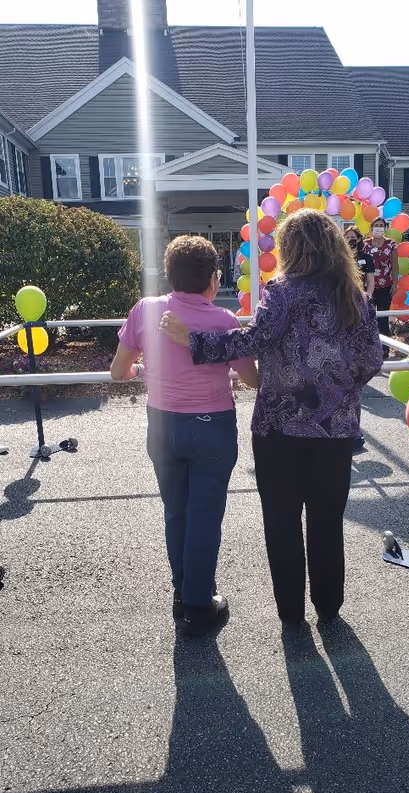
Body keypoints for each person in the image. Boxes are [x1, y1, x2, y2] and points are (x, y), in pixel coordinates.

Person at [161, 210, 384, 627]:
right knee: (326, 519)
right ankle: (329, 607)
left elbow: (254, 340)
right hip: (335, 429)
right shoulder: (354, 296)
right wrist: (338, 385)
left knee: (281, 521)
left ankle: (291, 614)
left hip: (278, 428)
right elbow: (372, 358)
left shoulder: (281, 291)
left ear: (290, 248)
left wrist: (192, 340)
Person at [110, 236, 257, 637]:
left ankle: (182, 592)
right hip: (212, 424)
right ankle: (197, 602)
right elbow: (251, 378)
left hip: (162, 424)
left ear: (169, 275)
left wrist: (145, 371)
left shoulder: (146, 309)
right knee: (205, 515)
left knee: (175, 511)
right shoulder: (224, 320)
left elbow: (118, 371)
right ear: (213, 278)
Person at [345, 225, 375, 452]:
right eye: (348, 238)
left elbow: (372, 353)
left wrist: (367, 301)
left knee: (352, 384)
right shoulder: (338, 261)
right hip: (343, 315)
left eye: (354, 238)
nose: (351, 241)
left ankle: (353, 433)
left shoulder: (365, 259)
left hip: (357, 313)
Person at [363, 217, 398, 358]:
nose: (378, 228)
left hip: (385, 286)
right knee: (368, 317)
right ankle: (370, 349)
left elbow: (395, 265)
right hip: (368, 287)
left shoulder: (391, 244)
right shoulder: (365, 244)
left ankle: (384, 349)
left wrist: (395, 283)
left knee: (383, 318)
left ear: (385, 228)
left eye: (381, 225)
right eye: (376, 225)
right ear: (371, 228)